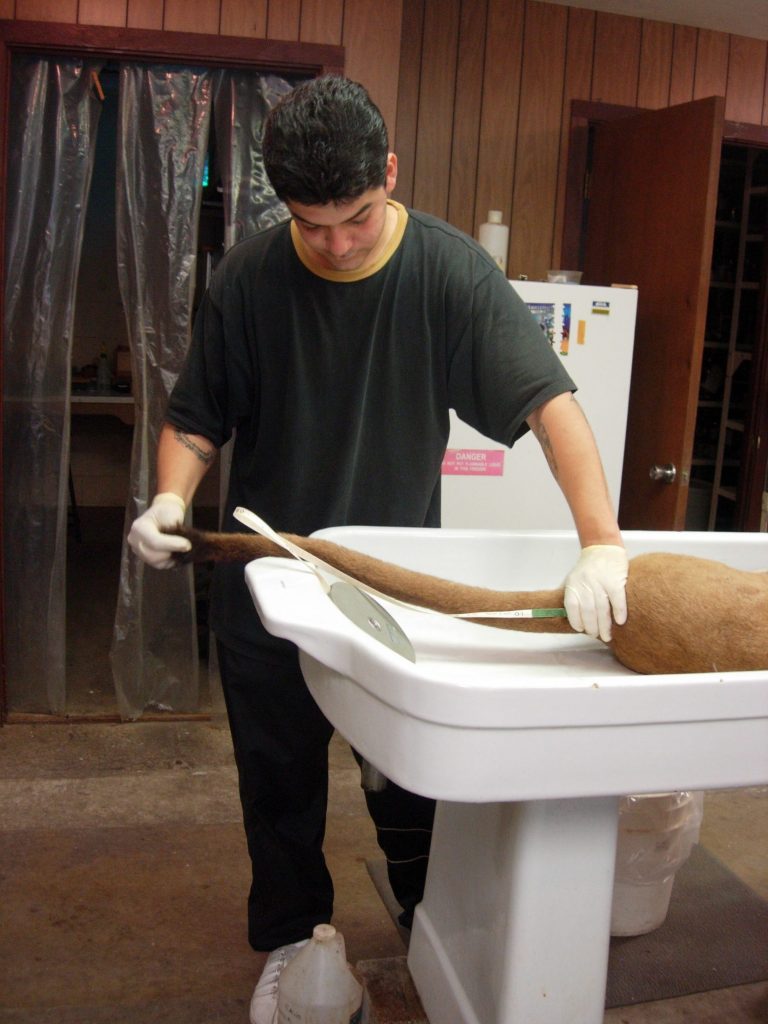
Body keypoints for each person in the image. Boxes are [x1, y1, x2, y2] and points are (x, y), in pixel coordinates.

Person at [128, 75, 628, 1023]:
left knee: (410, 778)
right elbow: (196, 420)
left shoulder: (447, 272)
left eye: (355, 217)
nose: (337, 244)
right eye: (311, 225)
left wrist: (601, 544)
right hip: (268, 587)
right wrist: (168, 497)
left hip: (391, 596)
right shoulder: (249, 279)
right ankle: (289, 942)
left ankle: (427, 915)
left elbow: (550, 405)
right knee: (278, 782)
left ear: (390, 174)